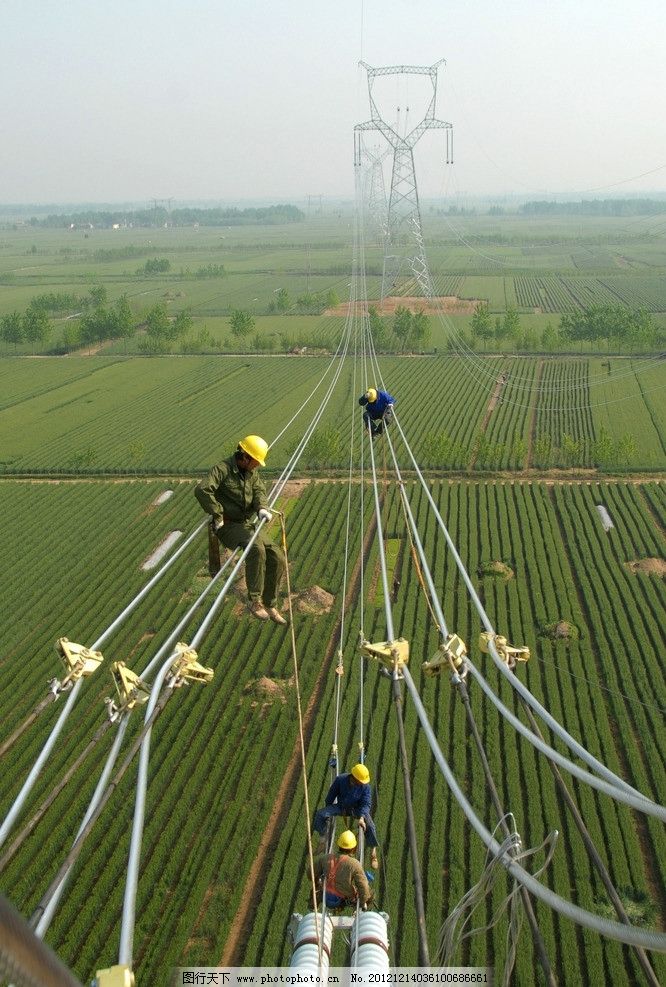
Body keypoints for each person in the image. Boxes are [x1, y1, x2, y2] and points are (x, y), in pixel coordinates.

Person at [194, 434, 287, 624]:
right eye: (255, 462)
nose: (257, 466)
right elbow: (202, 490)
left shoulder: (251, 472)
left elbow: (259, 490)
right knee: (256, 549)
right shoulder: (222, 469)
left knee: (278, 556)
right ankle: (255, 602)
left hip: (246, 523)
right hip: (227, 525)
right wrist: (217, 513)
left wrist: (261, 507)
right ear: (244, 456)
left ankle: (270, 602)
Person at [313, 764, 379, 868]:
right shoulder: (341, 779)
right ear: (354, 778)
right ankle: (323, 838)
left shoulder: (365, 787)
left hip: (357, 810)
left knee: (370, 825)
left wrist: (362, 818)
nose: (362, 783)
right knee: (320, 814)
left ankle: (373, 852)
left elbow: (366, 804)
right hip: (341, 807)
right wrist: (328, 811)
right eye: (360, 781)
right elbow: (331, 795)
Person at [313, 830, 372, 910]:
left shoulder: (325, 858)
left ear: (339, 846)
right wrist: (362, 903)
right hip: (344, 899)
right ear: (353, 848)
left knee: (316, 889)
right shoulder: (355, 864)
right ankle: (362, 911)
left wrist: (318, 882)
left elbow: (311, 873)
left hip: (325, 895)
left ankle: (311, 907)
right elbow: (364, 887)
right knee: (370, 894)